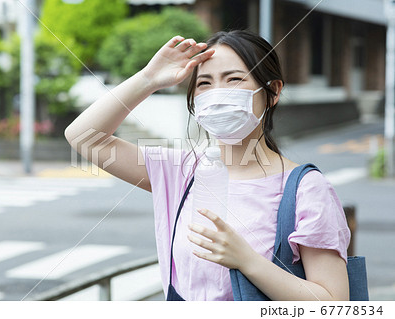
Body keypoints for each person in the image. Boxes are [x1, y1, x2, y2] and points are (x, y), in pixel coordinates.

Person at [64, 30, 351, 301]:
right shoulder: (182, 170)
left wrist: (248, 261)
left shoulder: (307, 189)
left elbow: (334, 303)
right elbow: (84, 137)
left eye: (234, 79)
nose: (218, 93)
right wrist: (148, 79)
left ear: (272, 91)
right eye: (204, 83)